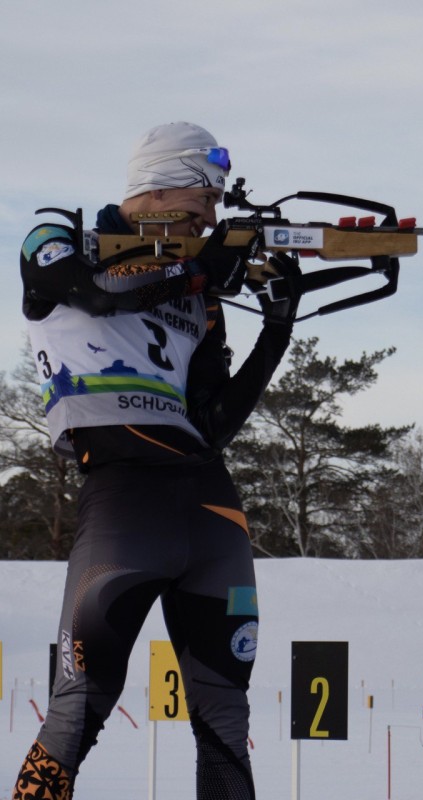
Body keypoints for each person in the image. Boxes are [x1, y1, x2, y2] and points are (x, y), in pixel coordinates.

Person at [12, 121, 301, 800]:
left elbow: (213, 422)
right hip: (122, 499)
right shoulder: (61, 239)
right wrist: (201, 268)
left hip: (210, 504)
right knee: (77, 713)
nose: (213, 213)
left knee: (226, 721)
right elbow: (94, 292)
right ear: (161, 183)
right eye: (205, 196)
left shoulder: (198, 293)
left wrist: (276, 329)